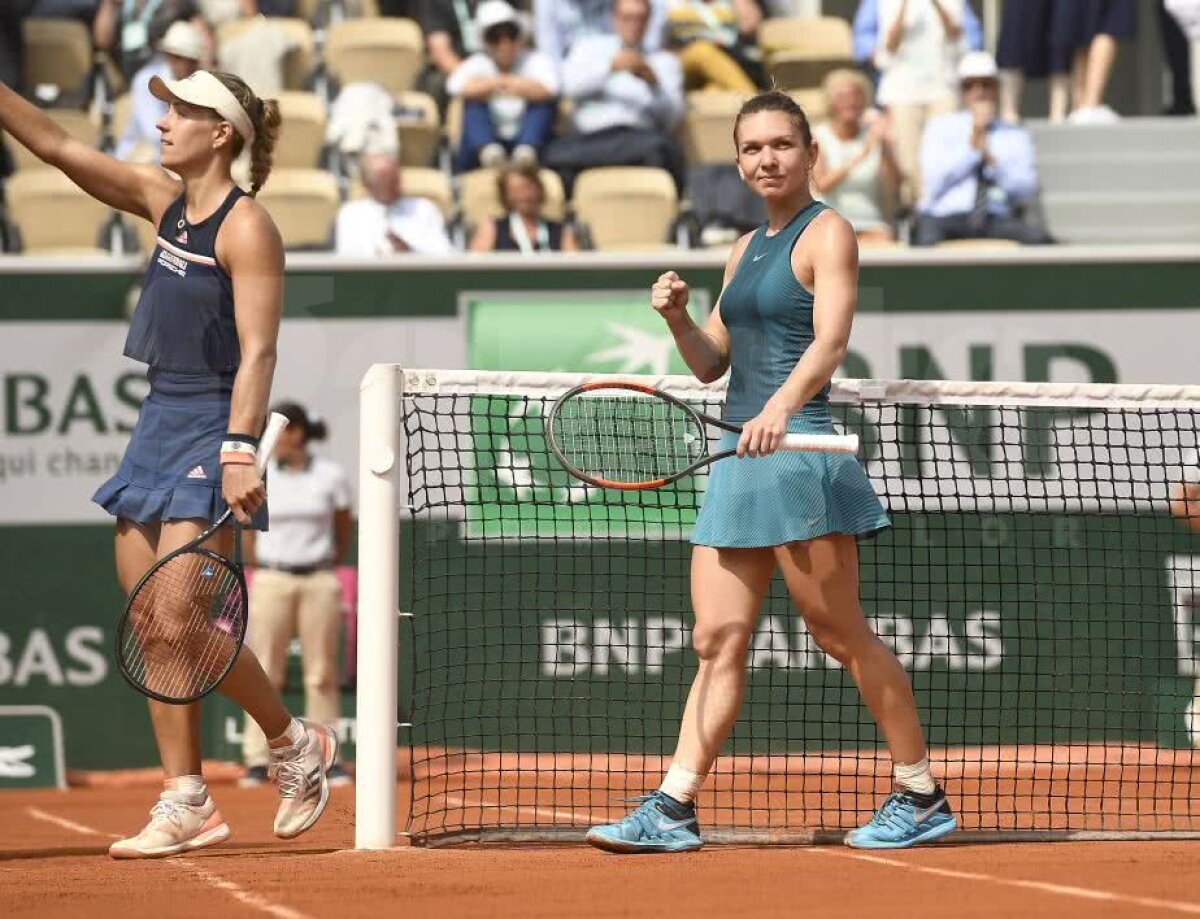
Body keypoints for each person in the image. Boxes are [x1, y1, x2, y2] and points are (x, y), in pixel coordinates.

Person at [586, 89, 955, 854]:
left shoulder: (830, 232)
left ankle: (919, 790)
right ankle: (673, 804)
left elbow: (830, 343)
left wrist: (782, 407)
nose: (767, 159)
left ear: (810, 153)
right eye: (752, 148)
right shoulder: (743, 248)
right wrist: (678, 319)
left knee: (840, 633)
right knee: (715, 638)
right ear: (738, 162)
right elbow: (711, 363)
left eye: (781, 145)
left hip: (799, 455)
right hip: (741, 462)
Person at [0, 68, 338, 857]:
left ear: (220, 134)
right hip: (157, 420)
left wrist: (239, 449)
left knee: (182, 614)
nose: (163, 121)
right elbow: (55, 146)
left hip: (214, 425)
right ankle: (187, 796)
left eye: (182, 110)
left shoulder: (247, 227)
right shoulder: (161, 200)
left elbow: (259, 351)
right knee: (154, 622)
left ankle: (292, 742)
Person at [241, 402, 354, 789]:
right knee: (264, 671)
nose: (275, 439)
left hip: (319, 580)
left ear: (299, 433)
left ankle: (328, 758)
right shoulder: (259, 474)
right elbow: (247, 529)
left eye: (282, 430)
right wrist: (263, 565)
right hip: (271, 580)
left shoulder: (330, 475)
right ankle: (258, 760)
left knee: (321, 674)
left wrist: (325, 563)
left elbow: (342, 527)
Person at [544, 0, 686, 196]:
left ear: (649, 21)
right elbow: (568, 88)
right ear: (614, 19)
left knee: (662, 153)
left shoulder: (664, 62)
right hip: (589, 140)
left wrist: (653, 84)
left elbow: (672, 118)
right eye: (628, 18)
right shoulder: (587, 49)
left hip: (637, 138)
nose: (634, 25)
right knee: (554, 158)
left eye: (640, 19)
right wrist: (609, 69)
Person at [913, 52, 1052, 247]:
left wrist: (992, 161)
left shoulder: (1014, 134)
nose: (979, 92)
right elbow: (933, 183)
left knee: (1040, 240)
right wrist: (972, 150)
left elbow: (1025, 189)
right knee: (924, 241)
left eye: (986, 84)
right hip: (946, 215)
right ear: (961, 92)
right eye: (970, 85)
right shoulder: (940, 128)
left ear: (997, 89)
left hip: (995, 216)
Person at [448, 0, 559, 172]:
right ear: (485, 41)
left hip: (525, 136)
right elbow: (454, 86)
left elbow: (552, 88)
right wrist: (498, 83)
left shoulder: (535, 60)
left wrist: (508, 84)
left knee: (543, 105)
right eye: (495, 38)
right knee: (472, 104)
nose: (504, 44)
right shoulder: (478, 62)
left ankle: (527, 150)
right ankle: (487, 150)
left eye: (511, 35)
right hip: (484, 143)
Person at [874, 0, 966, 202]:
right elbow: (890, 44)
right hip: (902, 92)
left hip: (943, 88)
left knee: (944, 156)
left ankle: (939, 207)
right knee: (908, 161)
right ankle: (917, 209)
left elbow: (955, 34)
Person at [812, 68, 901, 245]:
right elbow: (821, 185)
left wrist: (886, 147)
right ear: (830, 102)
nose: (850, 102)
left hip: (871, 223)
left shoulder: (874, 135)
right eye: (842, 97)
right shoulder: (819, 136)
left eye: (856, 95)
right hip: (830, 222)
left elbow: (895, 184)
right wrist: (860, 155)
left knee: (886, 242)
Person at [117, 20, 204, 162]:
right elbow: (154, 133)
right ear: (170, 56)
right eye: (181, 58)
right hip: (139, 155)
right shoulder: (146, 81)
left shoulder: (195, 83)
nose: (190, 65)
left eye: (193, 60)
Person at [335, 152, 454, 256]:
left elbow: (445, 255)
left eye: (397, 179)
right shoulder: (351, 214)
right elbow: (346, 257)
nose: (397, 186)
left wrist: (409, 252)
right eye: (388, 181)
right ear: (368, 185)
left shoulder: (424, 209)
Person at [468, 162, 580, 252]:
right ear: (505, 196)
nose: (524, 195)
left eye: (528, 188)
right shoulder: (492, 228)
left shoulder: (561, 231)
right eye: (515, 191)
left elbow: (575, 265)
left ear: (539, 189)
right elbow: (475, 265)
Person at [534, 0, 669, 69]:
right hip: (570, 71)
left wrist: (640, 57)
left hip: (625, 63)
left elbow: (650, 43)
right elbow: (549, 51)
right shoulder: (547, 3)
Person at [664, 0, 763, 92]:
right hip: (683, 57)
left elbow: (749, 26)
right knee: (702, 50)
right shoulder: (670, 4)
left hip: (727, 55)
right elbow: (659, 41)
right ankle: (753, 99)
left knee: (713, 88)